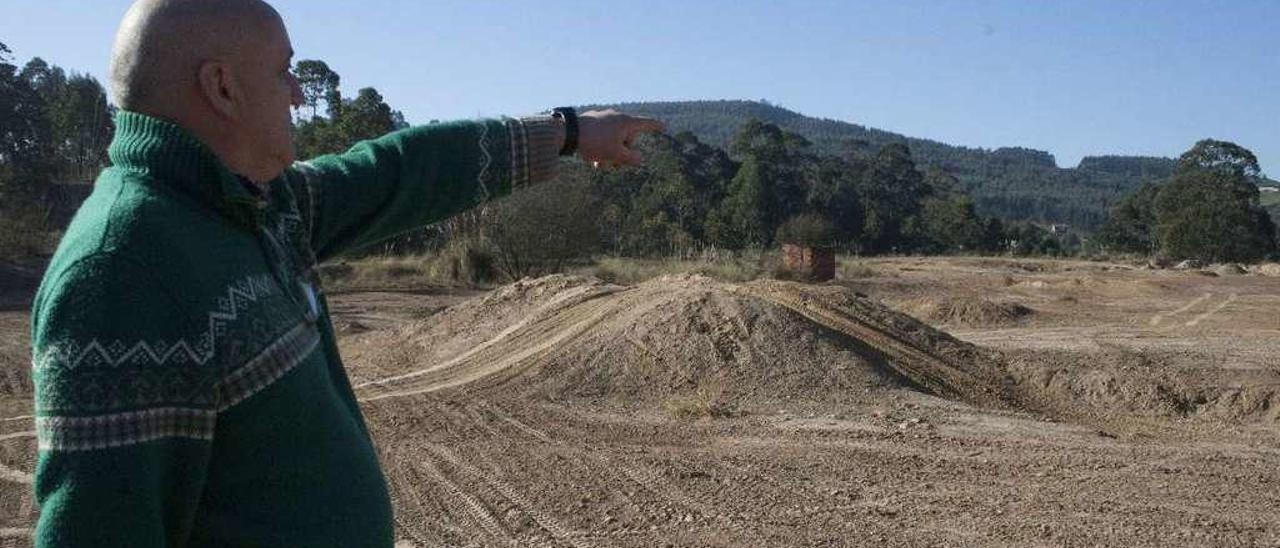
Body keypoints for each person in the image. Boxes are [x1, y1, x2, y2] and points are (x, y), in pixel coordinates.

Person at [27, 0, 663, 546]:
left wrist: (569, 134)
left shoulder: (257, 204)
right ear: (222, 88)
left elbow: (396, 172)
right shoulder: (122, 269)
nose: (299, 93)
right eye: (282, 74)